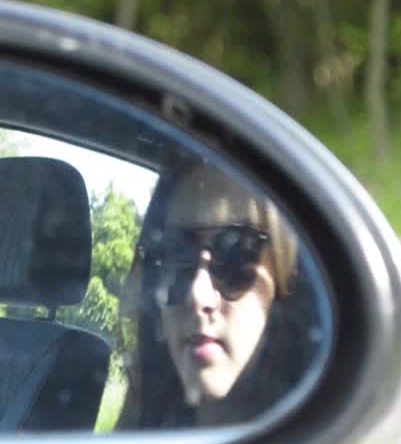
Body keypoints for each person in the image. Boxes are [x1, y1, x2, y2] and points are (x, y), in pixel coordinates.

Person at [115, 157, 319, 429]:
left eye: (236, 255)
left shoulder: (310, 423)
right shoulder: (140, 437)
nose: (198, 295)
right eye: (176, 255)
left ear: (285, 281)